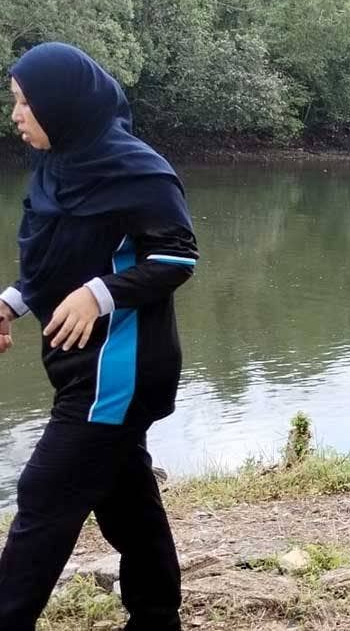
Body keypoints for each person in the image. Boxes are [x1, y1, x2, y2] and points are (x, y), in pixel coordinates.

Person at [0, 43, 199, 629]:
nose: (15, 115)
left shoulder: (136, 169)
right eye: (14, 102)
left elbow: (177, 257)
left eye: (25, 103)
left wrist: (100, 293)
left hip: (121, 368)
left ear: (62, 106)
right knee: (125, 497)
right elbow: (57, 262)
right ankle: (157, 614)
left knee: (43, 499)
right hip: (81, 366)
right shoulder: (59, 168)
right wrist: (12, 302)